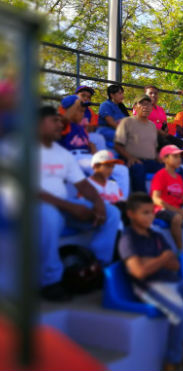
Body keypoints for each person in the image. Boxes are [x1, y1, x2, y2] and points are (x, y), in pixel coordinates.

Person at [118, 193, 183, 371]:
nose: (150, 216)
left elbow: (175, 265)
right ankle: (172, 361)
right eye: (144, 213)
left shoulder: (156, 235)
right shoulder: (128, 239)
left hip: (174, 281)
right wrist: (161, 260)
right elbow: (139, 271)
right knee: (181, 311)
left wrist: (153, 261)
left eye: (151, 212)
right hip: (150, 286)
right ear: (131, 214)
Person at [38, 106, 120, 301]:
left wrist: (98, 202)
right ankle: (50, 281)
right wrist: (70, 206)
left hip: (63, 204)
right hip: (32, 207)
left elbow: (82, 183)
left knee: (112, 213)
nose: (61, 124)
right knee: (50, 216)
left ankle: (98, 268)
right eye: (55, 121)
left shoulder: (61, 153)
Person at [58, 94, 131, 197]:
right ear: (70, 110)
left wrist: (96, 155)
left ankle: (121, 201)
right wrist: (75, 103)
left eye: (83, 111)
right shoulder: (62, 123)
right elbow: (65, 118)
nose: (83, 114)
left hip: (85, 157)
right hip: (71, 157)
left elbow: (88, 143)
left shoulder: (80, 127)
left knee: (121, 170)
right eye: (79, 110)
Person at [114, 94, 163, 193]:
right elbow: (117, 145)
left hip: (151, 161)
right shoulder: (127, 122)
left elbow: (154, 148)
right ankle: (141, 201)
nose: (146, 107)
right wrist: (130, 157)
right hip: (132, 160)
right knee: (138, 169)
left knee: (170, 169)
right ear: (135, 107)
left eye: (149, 104)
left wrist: (162, 160)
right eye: (142, 104)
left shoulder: (152, 126)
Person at [58, 85, 104, 150]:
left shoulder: (89, 111)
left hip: (82, 136)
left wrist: (88, 127)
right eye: (83, 95)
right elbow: (64, 121)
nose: (86, 98)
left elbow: (91, 128)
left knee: (98, 137)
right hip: (65, 138)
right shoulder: (65, 106)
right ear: (75, 95)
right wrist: (76, 104)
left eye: (88, 97)